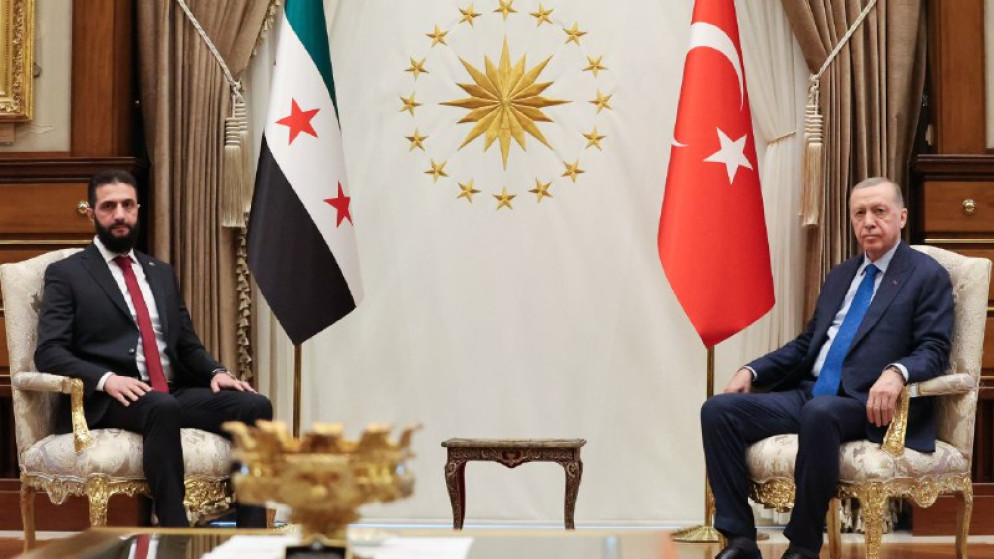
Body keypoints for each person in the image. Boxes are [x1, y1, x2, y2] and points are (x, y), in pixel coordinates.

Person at [701, 177, 954, 559]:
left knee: (820, 412)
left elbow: (934, 348)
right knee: (718, 411)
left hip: (867, 402)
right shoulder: (841, 275)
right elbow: (808, 344)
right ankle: (740, 540)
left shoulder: (926, 275)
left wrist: (896, 372)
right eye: (859, 213)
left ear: (901, 217)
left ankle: (803, 547)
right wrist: (751, 371)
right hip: (812, 392)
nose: (868, 221)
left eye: (879, 211)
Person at [35, 169, 273, 528]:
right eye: (109, 206)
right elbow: (49, 351)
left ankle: (252, 535)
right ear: (91, 213)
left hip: (168, 392)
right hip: (111, 400)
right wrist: (107, 379)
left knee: (254, 405)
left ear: (138, 209)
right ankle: (175, 531)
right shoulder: (67, 274)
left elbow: (187, 345)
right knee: (161, 406)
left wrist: (216, 372)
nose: (119, 214)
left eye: (127, 205)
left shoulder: (159, 272)